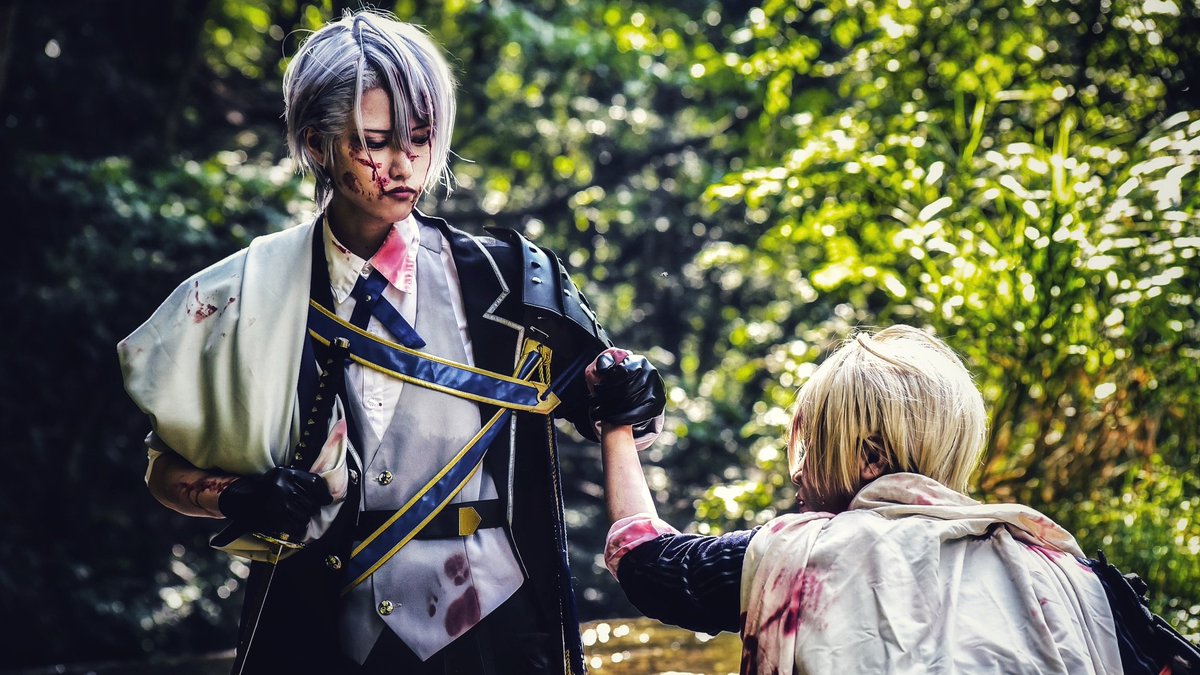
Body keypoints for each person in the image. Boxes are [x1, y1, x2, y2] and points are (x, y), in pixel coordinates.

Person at [118, 10, 660, 674]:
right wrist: (235, 496)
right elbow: (164, 468)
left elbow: (612, 408)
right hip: (319, 622)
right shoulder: (240, 295)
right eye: (374, 143)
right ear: (317, 144)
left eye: (421, 139)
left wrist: (631, 389)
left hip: (494, 622)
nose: (404, 165)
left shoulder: (511, 279)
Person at [587, 326, 1124, 674]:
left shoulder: (801, 554)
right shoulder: (1075, 578)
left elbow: (644, 559)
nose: (799, 471)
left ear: (868, 456)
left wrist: (618, 423)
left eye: (813, 443)